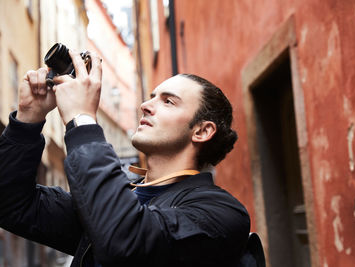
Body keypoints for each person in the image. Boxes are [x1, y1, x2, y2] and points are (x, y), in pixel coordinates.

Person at [0, 50, 250, 266]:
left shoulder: (222, 214)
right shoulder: (112, 201)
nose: (146, 105)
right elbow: (12, 205)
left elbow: (123, 240)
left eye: (169, 101)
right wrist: (27, 120)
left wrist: (82, 121)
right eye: (152, 96)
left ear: (202, 131)